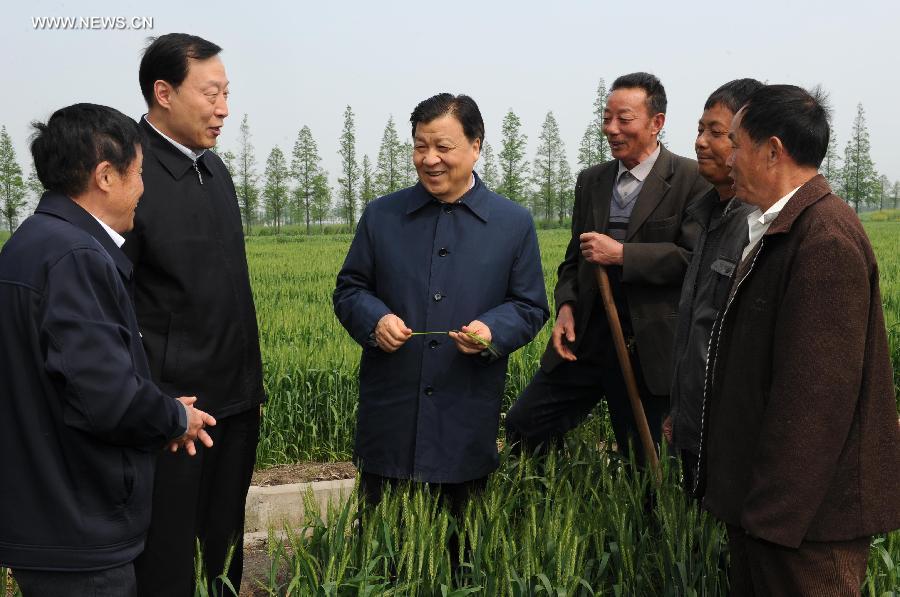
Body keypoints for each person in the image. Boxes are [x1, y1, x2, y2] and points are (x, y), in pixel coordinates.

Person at [0, 103, 214, 597]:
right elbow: (106, 398)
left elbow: (66, 380)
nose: (143, 188)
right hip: (79, 522)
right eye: (138, 173)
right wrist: (175, 419)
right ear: (105, 176)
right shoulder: (76, 256)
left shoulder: (31, 244)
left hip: (45, 511)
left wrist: (158, 412)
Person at [697, 84, 900, 595]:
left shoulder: (825, 238)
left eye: (737, 144)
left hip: (804, 527)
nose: (729, 157)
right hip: (773, 514)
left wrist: (770, 518)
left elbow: (817, 402)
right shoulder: (781, 226)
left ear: (772, 150)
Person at [333, 93, 549, 515]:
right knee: (381, 555)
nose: (429, 159)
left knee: (458, 558)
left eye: (442, 147)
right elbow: (350, 289)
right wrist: (375, 320)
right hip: (391, 421)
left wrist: (492, 331)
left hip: (463, 418)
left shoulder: (512, 223)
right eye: (419, 146)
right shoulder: (382, 216)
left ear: (476, 146)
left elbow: (529, 305)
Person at [505, 72, 709, 462]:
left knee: (645, 461)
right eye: (606, 118)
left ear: (656, 123)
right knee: (525, 423)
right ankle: (555, 499)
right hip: (588, 338)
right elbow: (572, 258)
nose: (611, 129)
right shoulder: (592, 181)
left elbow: (693, 259)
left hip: (648, 346)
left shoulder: (691, 180)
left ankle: (635, 520)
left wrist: (623, 255)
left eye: (624, 119)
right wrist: (566, 306)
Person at [124, 34, 265, 595]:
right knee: (169, 561)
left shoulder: (214, 171)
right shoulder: (128, 172)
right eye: (211, 94)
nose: (224, 108)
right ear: (163, 93)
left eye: (227, 93)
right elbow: (113, 303)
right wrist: (154, 404)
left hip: (234, 401)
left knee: (222, 552)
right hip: (176, 417)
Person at [663, 78, 763, 489]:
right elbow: (696, 330)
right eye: (700, 129)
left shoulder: (757, 225)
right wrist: (678, 411)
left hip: (730, 433)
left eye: (717, 133)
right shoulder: (705, 213)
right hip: (693, 424)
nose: (701, 142)